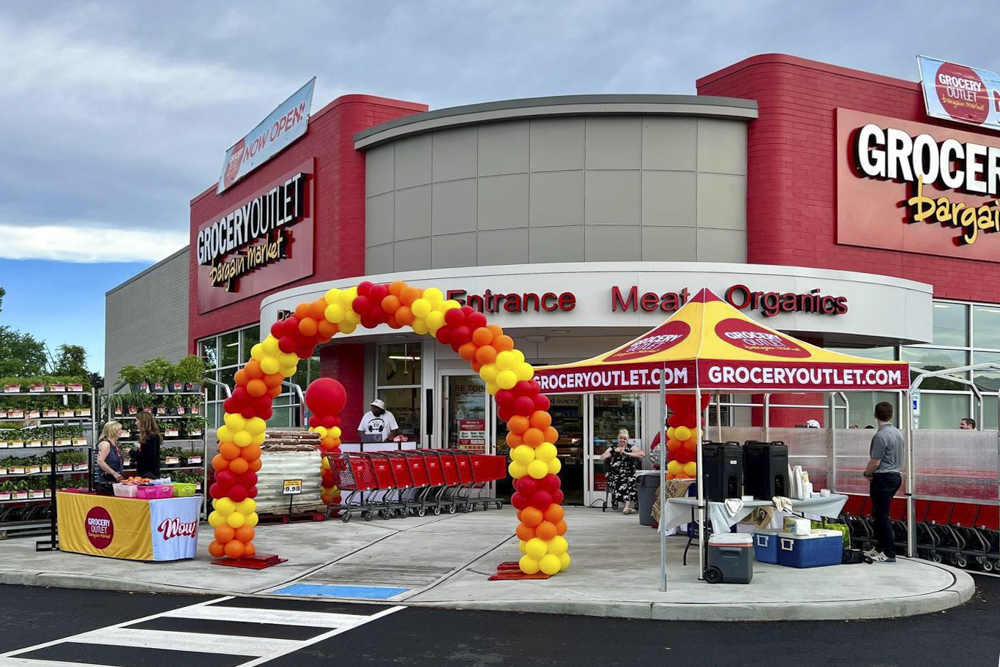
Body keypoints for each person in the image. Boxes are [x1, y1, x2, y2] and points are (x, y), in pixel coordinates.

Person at [863, 401, 904, 563]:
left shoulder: (880, 436)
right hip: (895, 475)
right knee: (881, 513)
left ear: (875, 415)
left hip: (883, 477)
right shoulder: (897, 433)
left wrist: (866, 473)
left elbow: (875, 461)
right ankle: (880, 547)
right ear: (891, 415)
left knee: (881, 515)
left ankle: (888, 552)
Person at [600, 428, 645, 514]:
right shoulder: (613, 448)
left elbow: (642, 455)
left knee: (630, 481)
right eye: (621, 438)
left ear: (627, 439)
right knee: (618, 481)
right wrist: (613, 452)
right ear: (618, 438)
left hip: (629, 473)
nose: (622, 440)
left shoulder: (631, 447)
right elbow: (602, 457)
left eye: (624, 439)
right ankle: (627, 507)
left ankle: (627, 507)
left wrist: (628, 454)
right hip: (616, 474)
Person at [94, 421, 125, 495]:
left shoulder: (114, 444)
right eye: (119, 430)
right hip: (105, 484)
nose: (121, 432)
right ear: (113, 431)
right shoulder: (106, 444)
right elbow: (100, 461)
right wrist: (114, 473)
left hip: (113, 482)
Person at [131, 411, 162, 478]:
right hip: (149, 472)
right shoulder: (151, 435)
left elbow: (147, 456)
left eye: (137, 420)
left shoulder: (150, 437)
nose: (136, 423)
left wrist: (131, 452)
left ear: (143, 422)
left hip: (148, 473)